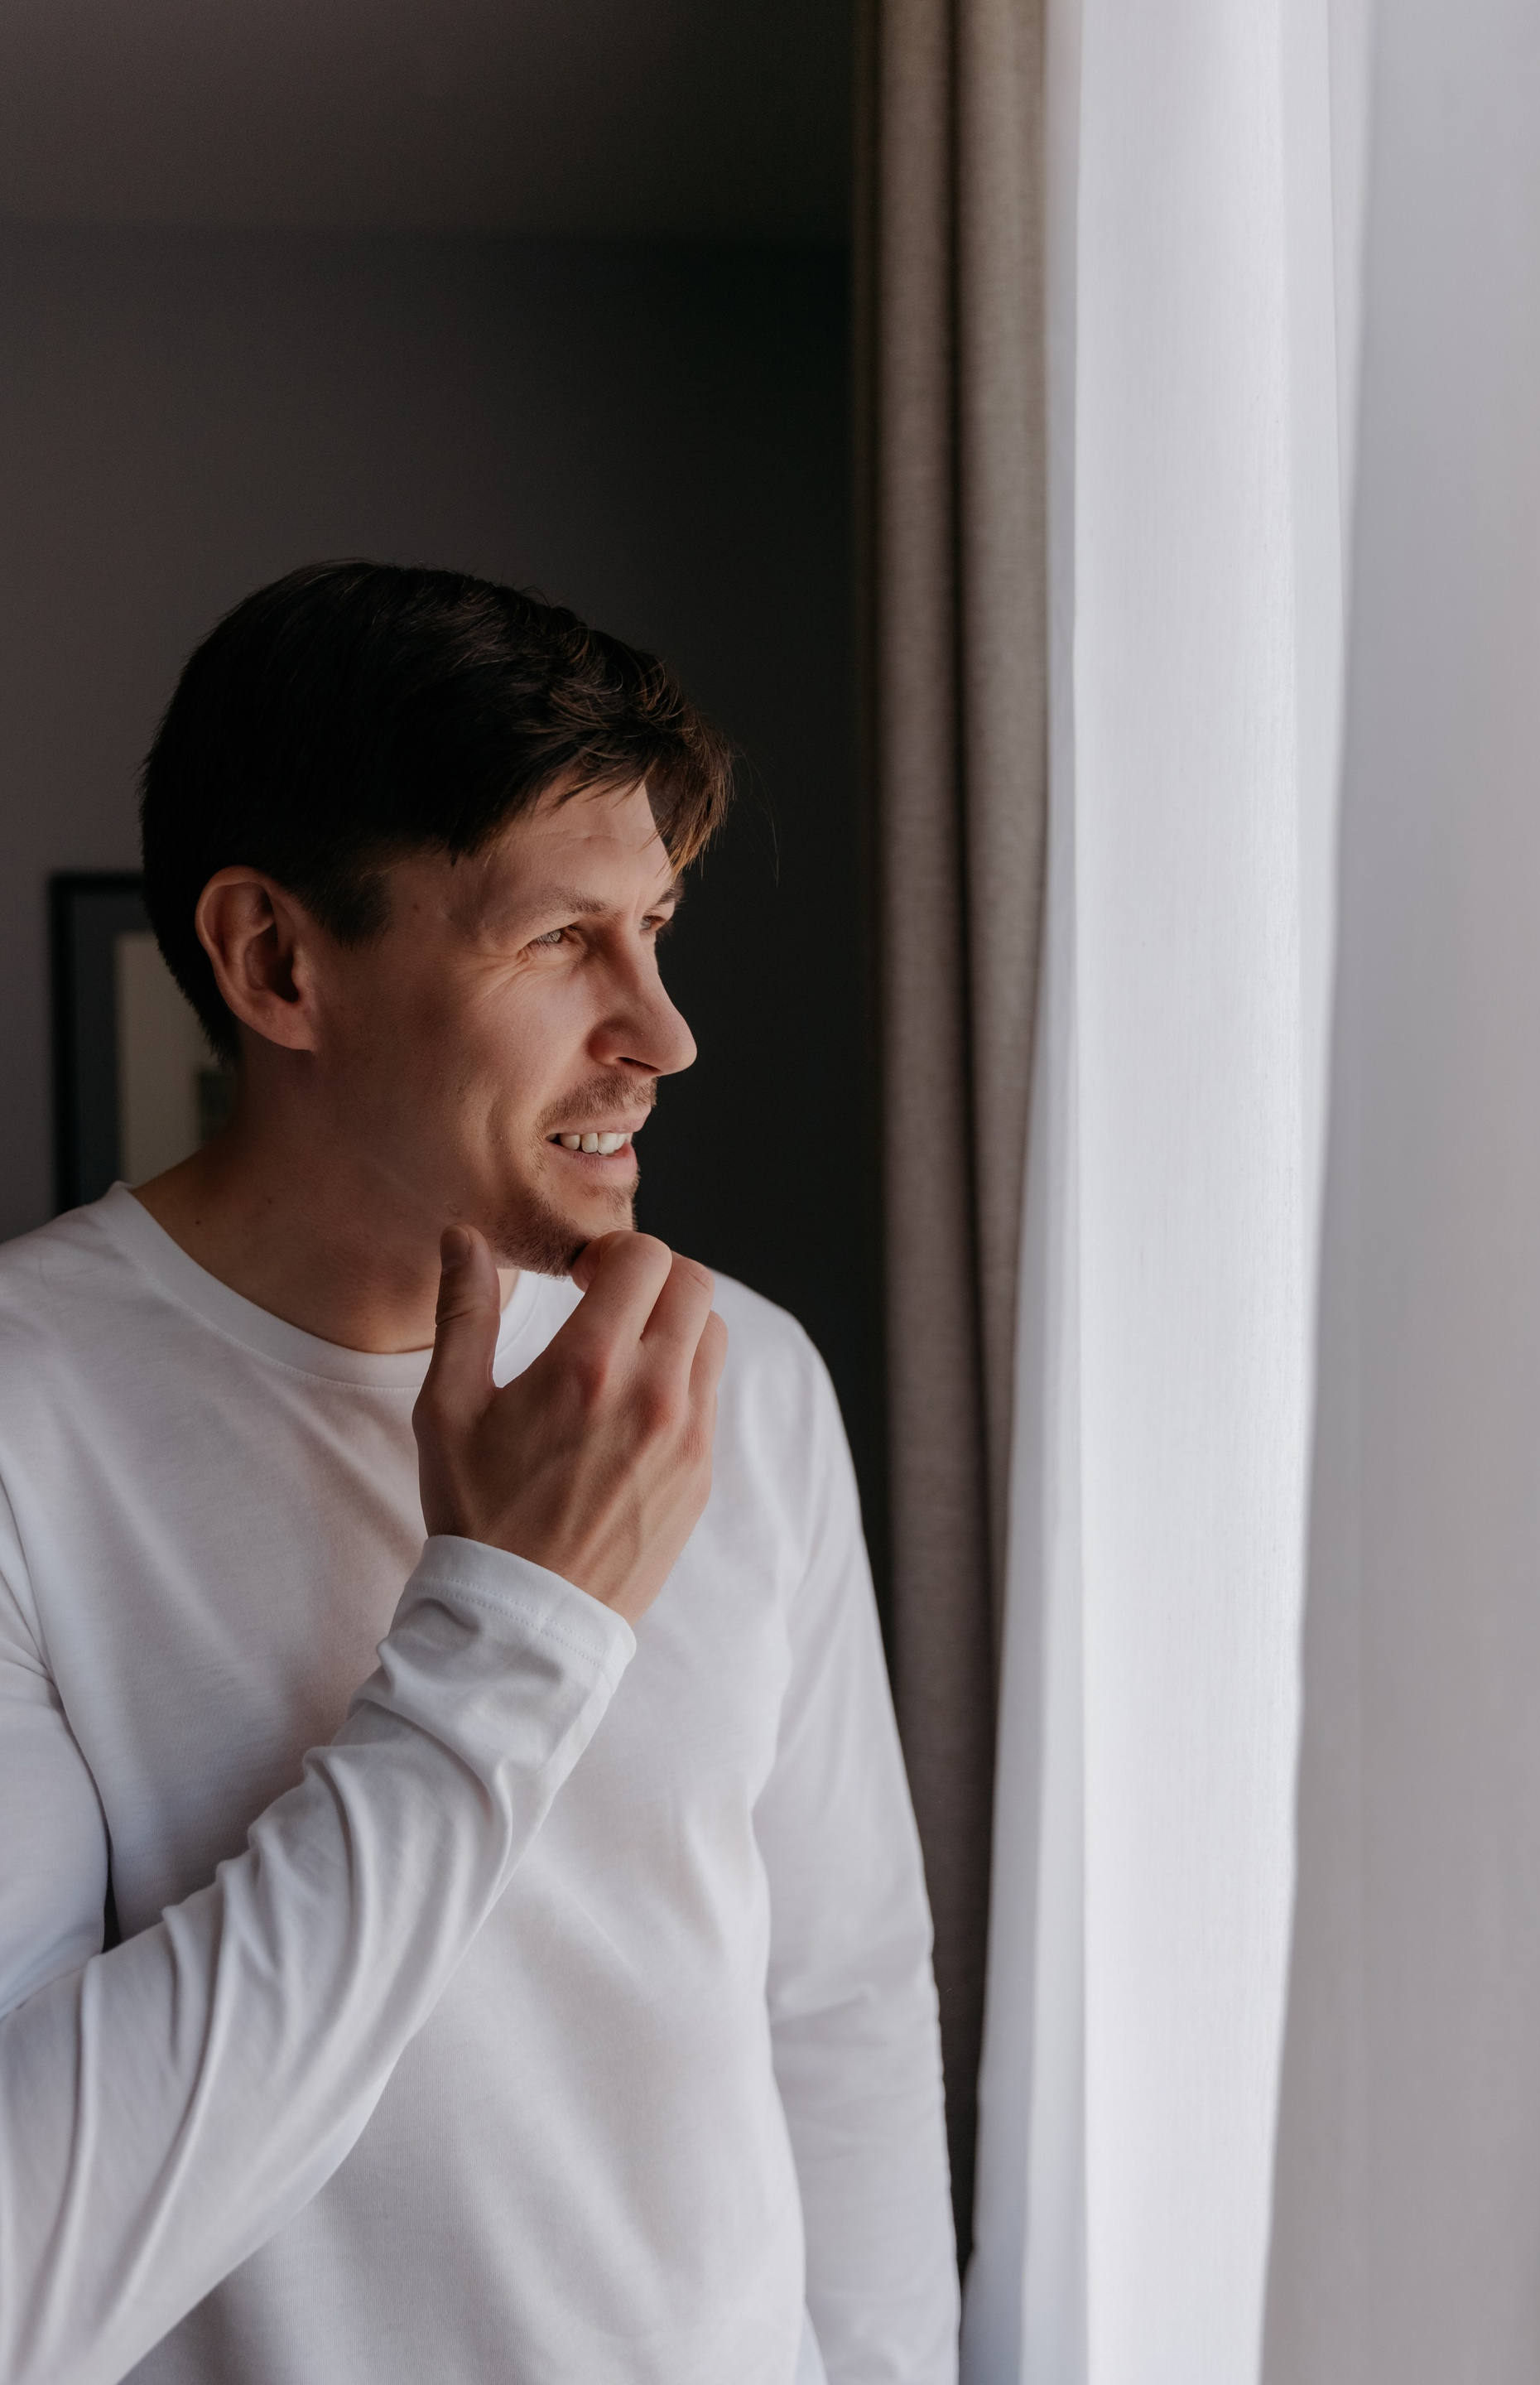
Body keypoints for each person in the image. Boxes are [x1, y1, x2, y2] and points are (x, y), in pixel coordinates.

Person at [0, 564, 960, 2385]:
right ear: (277, 963)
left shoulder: (735, 1377)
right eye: (559, 940)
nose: (663, 1033)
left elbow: (837, 1996)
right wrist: (514, 1629)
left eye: (656, 927)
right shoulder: (25, 1423)